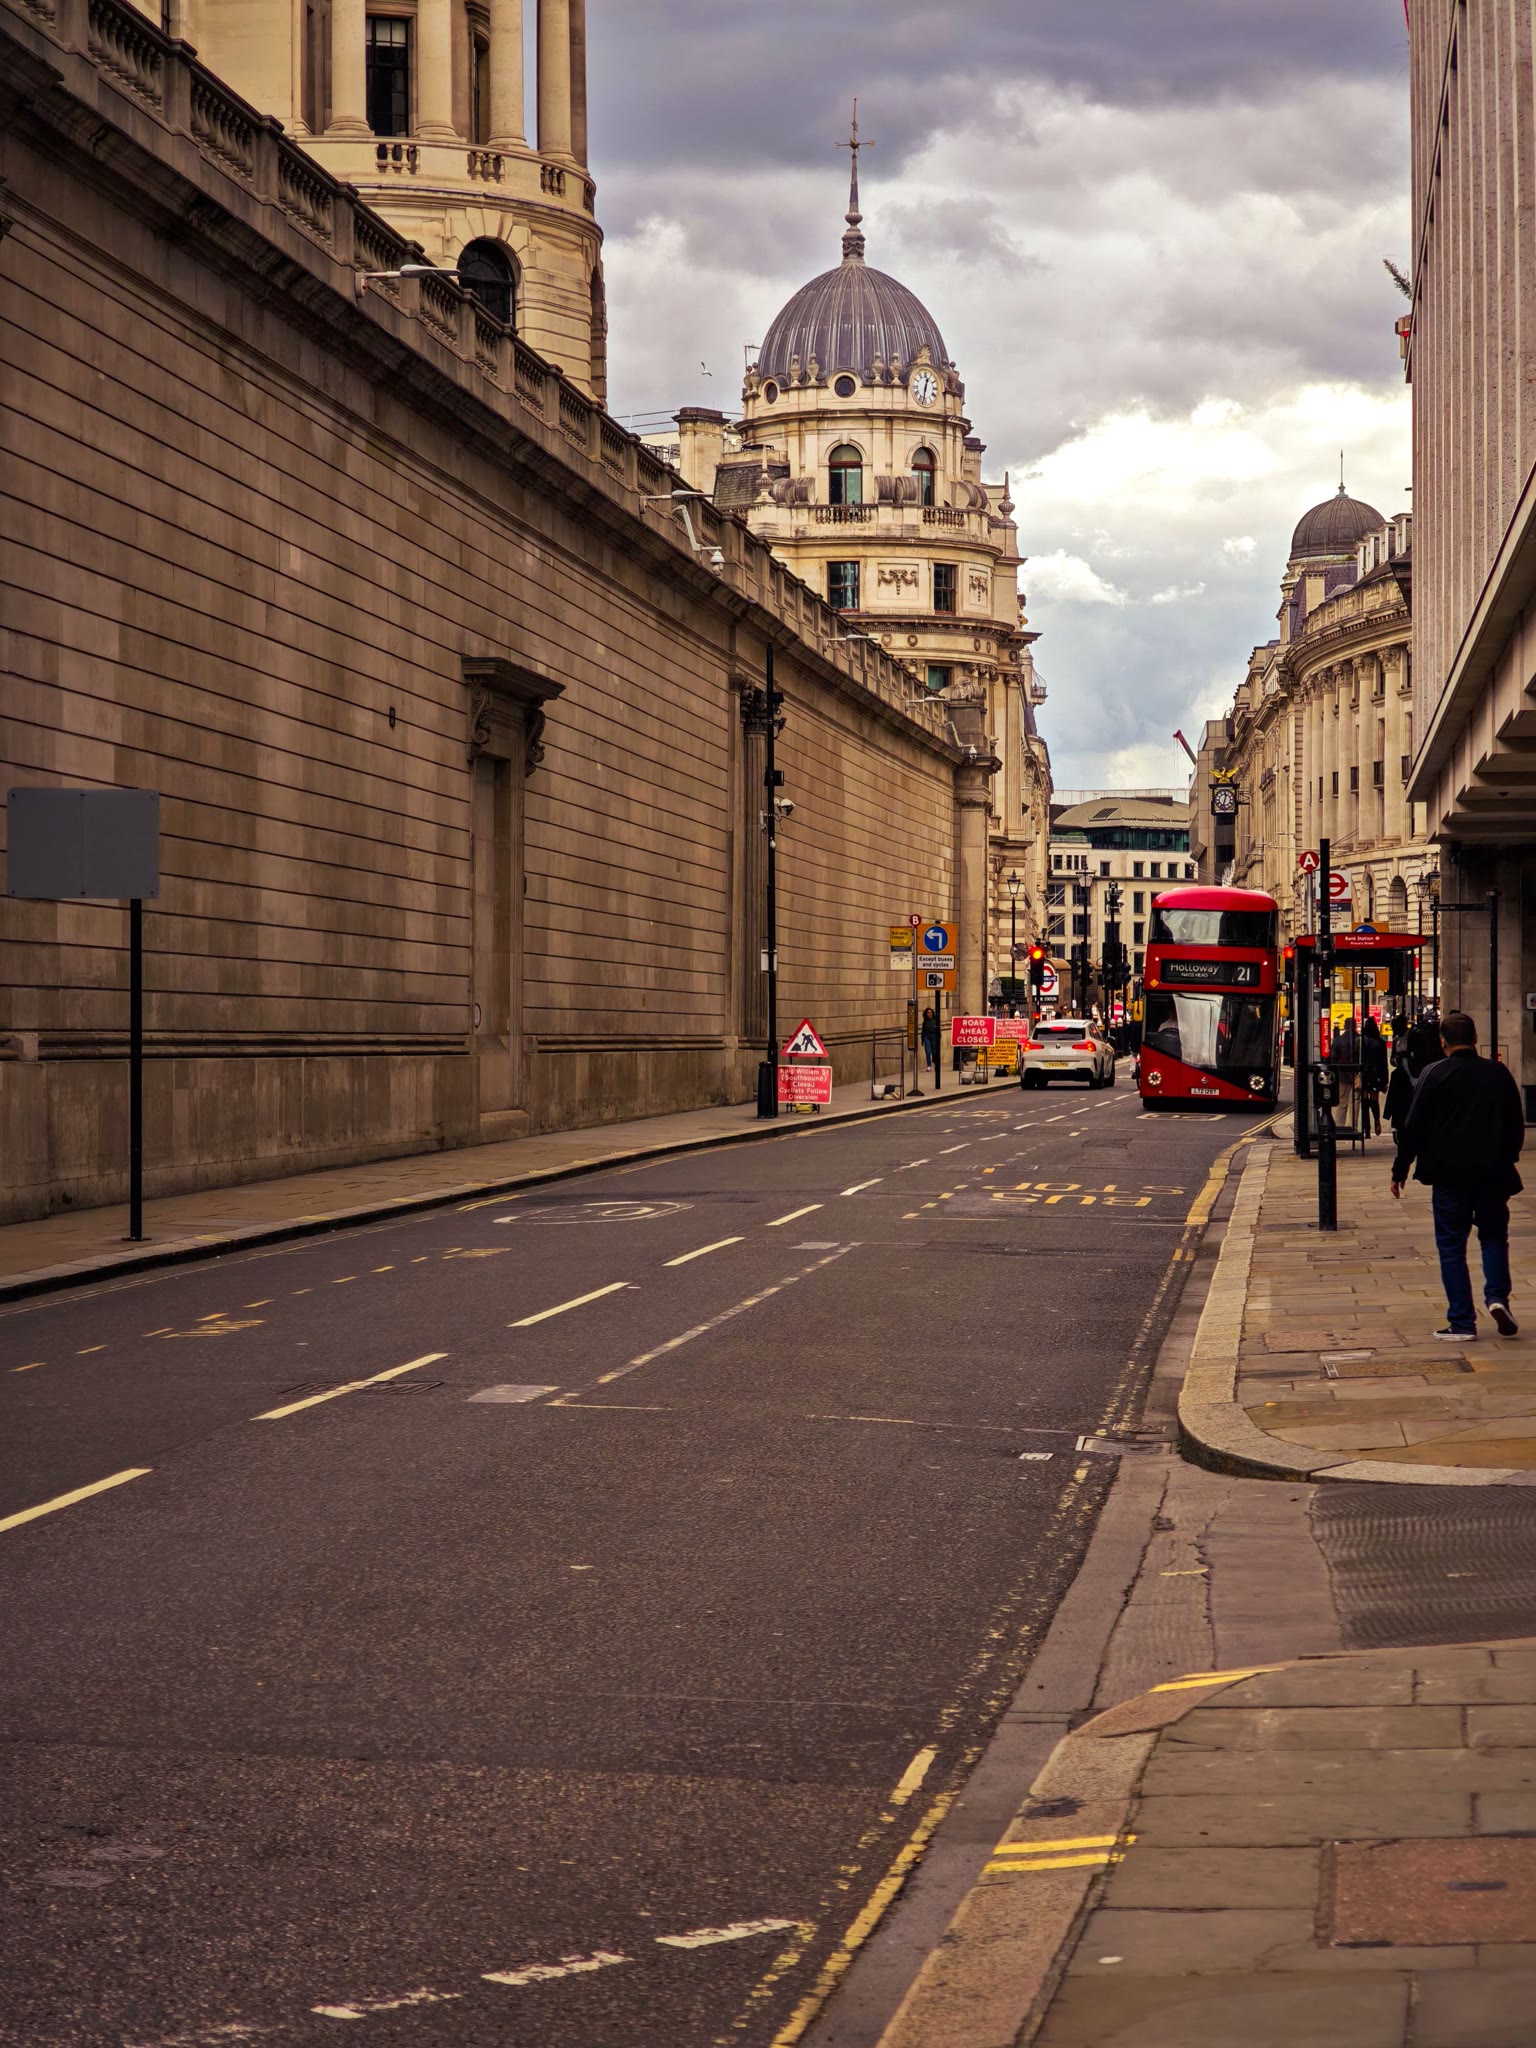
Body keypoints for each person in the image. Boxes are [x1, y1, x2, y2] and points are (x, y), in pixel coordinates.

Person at [1391, 1011, 1525, 1339]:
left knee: (1452, 1247)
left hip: (1448, 1175)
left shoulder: (1434, 1074)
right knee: (1494, 1237)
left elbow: (1413, 1127)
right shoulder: (1498, 1073)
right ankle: (1497, 1298)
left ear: (1443, 1042)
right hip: (1492, 1173)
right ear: (1475, 1038)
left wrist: (1400, 1169)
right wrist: (1507, 1157)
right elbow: (1515, 1124)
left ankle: (1462, 1322)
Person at [1359, 1015, 1389, 1136]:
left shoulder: (1361, 1042)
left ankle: (1366, 1128)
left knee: (1364, 1101)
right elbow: (1384, 1063)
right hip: (1376, 1075)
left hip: (1364, 1073)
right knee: (1374, 1100)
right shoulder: (1381, 1043)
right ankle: (1376, 1120)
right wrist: (1385, 1081)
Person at [920, 1005, 939, 1073]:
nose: (929, 1014)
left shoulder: (935, 1020)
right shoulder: (925, 1021)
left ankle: (935, 1063)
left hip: (934, 1036)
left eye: (930, 1012)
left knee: (934, 1051)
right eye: (928, 1013)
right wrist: (922, 1040)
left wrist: (938, 1037)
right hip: (927, 1036)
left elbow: (938, 1030)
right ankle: (928, 1065)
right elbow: (923, 1031)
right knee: (928, 1051)